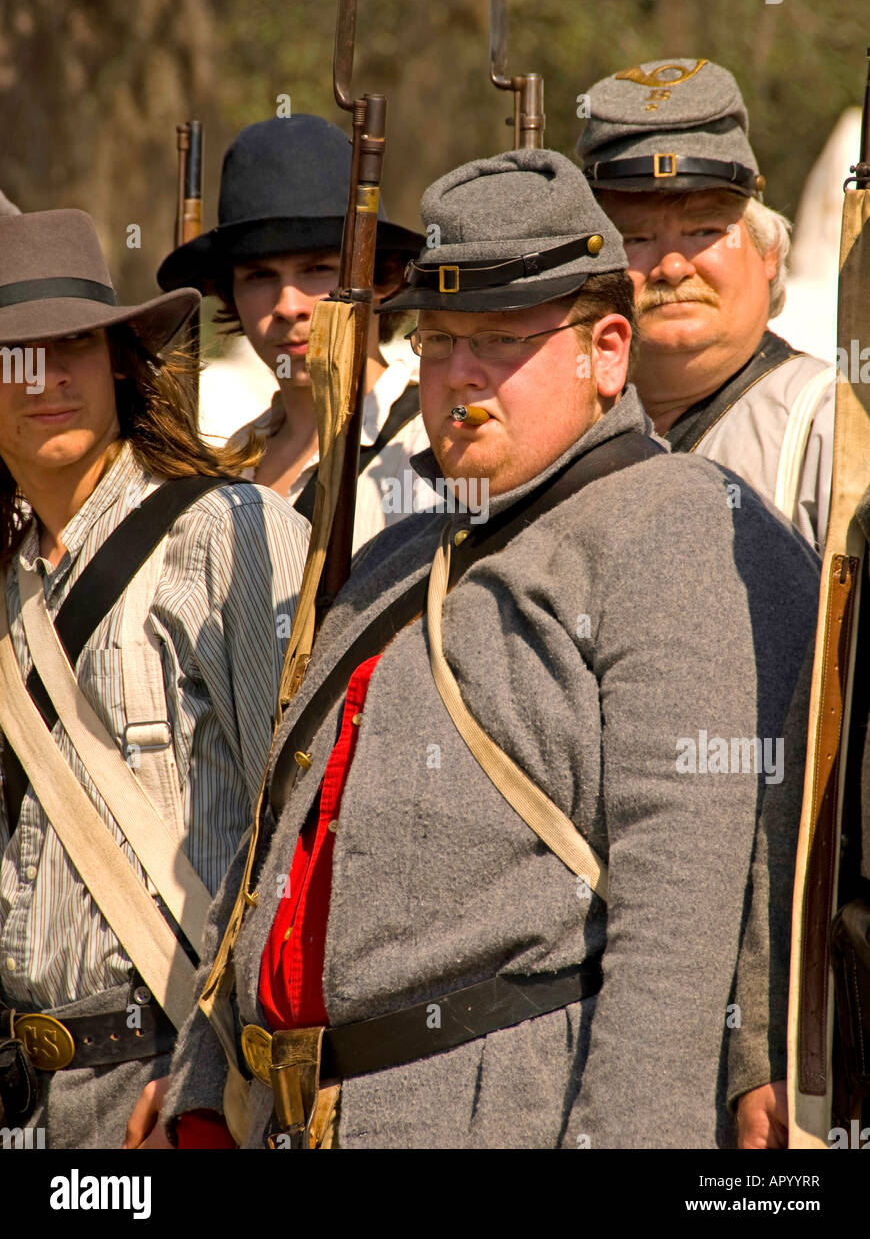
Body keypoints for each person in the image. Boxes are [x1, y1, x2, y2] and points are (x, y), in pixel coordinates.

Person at [159, 148, 819, 1150]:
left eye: (502, 340)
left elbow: (675, 927)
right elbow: (277, 850)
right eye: (442, 340)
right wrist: (199, 1087)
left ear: (605, 352)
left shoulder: (676, 524)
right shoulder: (392, 560)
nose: (461, 374)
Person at [0, 209, 309, 1148]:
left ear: (122, 361)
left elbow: (297, 829)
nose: (48, 377)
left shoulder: (234, 534)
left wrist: (215, 1071)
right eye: (16, 352)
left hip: (170, 1080)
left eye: (75, 344)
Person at [577, 57, 834, 553]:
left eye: (704, 231)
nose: (672, 267)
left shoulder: (832, 427)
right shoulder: (555, 426)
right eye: (636, 237)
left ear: (768, 253)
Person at [157, 114, 438, 552]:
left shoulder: (433, 444)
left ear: (381, 280)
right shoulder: (236, 460)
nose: (288, 306)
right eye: (258, 276)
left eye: (317, 270)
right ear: (229, 295)